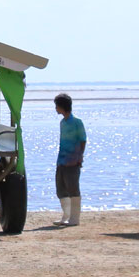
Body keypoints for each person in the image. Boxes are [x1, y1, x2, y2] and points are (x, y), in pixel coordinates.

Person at [53, 93, 86, 227]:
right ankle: (66, 216)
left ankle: (74, 218)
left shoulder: (77, 122)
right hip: (61, 160)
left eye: (57, 106)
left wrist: (79, 158)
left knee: (73, 188)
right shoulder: (62, 122)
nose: (56, 109)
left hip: (73, 160)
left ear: (62, 106)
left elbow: (83, 140)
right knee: (61, 189)